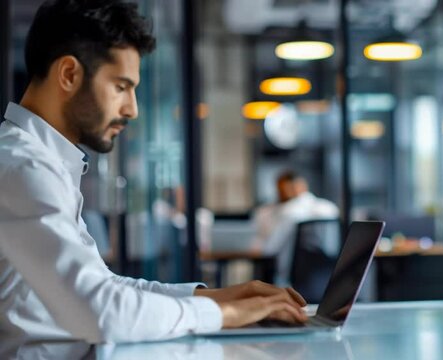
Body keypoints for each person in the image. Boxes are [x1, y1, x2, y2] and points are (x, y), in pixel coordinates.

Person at [0, 0, 306, 347]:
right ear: (69, 74)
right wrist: (226, 316)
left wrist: (222, 298)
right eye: (121, 86)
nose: (132, 108)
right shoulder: (23, 166)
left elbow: (105, 287)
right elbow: (103, 311)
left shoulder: (43, 164)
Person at [253, 171, 339, 285]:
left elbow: (269, 248)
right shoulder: (328, 207)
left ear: (302, 186)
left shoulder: (289, 212)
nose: (286, 192)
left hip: (290, 275)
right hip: (326, 271)